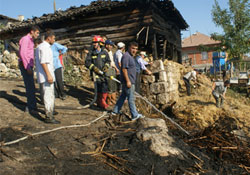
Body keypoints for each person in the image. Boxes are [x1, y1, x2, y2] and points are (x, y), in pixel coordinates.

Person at [112, 42, 144, 121]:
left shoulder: (130, 56)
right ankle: (134, 115)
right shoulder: (126, 56)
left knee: (123, 96)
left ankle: (115, 111)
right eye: (133, 48)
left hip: (129, 80)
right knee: (131, 98)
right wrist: (128, 81)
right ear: (129, 47)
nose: (134, 50)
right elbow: (124, 69)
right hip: (128, 81)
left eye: (136, 49)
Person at [35, 30, 60, 124]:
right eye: (53, 38)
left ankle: (51, 110)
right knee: (48, 95)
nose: (54, 40)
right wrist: (49, 75)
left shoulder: (41, 46)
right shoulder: (45, 47)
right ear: (48, 38)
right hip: (46, 76)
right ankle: (49, 116)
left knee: (50, 94)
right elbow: (43, 62)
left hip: (46, 75)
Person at [85, 35, 111, 110]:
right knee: (98, 88)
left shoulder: (104, 52)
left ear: (100, 43)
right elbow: (87, 63)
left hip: (104, 74)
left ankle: (102, 101)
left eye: (95, 43)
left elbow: (108, 61)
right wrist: (94, 68)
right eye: (93, 43)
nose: (94, 44)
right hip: (95, 75)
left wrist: (106, 66)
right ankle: (100, 103)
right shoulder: (91, 53)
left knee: (105, 88)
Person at [19, 26, 40, 114]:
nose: (38, 35)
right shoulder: (25, 39)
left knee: (31, 86)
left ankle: (32, 106)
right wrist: (27, 67)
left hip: (28, 65)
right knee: (30, 86)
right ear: (32, 31)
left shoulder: (31, 40)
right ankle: (31, 108)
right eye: (37, 33)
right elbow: (22, 53)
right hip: (25, 65)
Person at [104, 40, 117, 105]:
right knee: (109, 86)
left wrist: (116, 69)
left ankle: (113, 100)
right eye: (110, 45)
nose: (111, 47)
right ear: (106, 45)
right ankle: (108, 101)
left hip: (112, 69)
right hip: (108, 69)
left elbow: (112, 62)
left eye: (112, 45)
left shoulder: (110, 52)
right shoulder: (104, 52)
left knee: (114, 85)